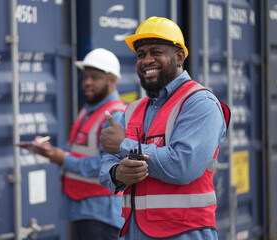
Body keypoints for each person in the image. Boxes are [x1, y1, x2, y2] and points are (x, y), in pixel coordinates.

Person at [99, 17, 231, 240]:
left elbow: (182, 165)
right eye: (141, 55)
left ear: (179, 57)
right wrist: (118, 173)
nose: (147, 60)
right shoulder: (132, 111)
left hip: (186, 233)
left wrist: (123, 145)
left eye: (156, 52)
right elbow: (105, 168)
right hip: (134, 232)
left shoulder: (200, 103)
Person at [34, 48, 125, 240]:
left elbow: (107, 164)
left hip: (101, 215)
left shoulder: (114, 115)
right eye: (85, 77)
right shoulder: (89, 110)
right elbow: (78, 150)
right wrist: (52, 151)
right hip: (83, 209)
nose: (87, 83)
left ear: (112, 80)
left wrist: (63, 159)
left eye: (95, 77)